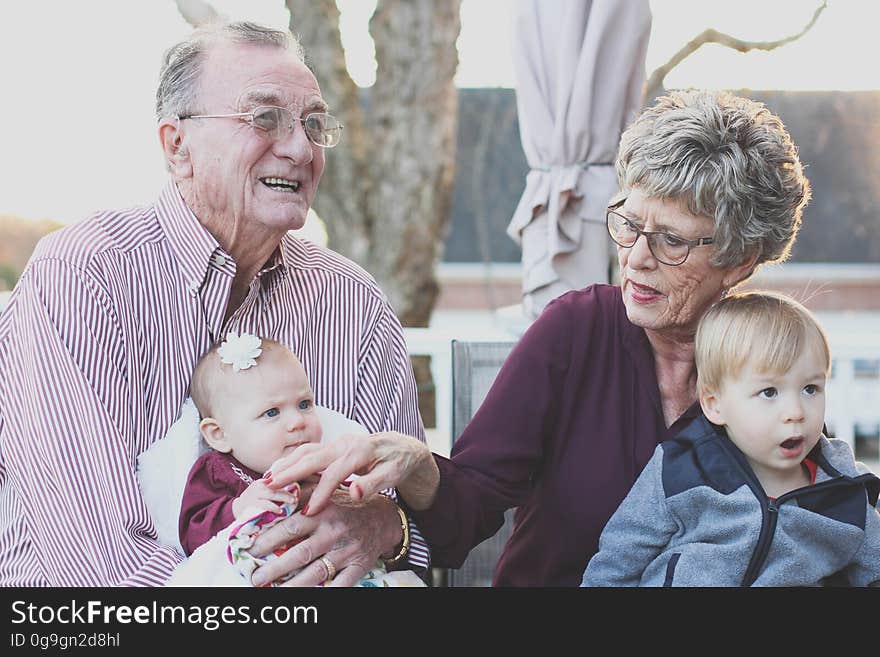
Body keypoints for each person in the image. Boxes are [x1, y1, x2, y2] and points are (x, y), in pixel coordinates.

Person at [263, 89, 814, 586]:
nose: (636, 258)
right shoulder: (576, 332)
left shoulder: (775, 363)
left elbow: (813, 524)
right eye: (628, 223)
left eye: (671, 241)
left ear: (738, 261)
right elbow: (467, 511)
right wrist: (418, 464)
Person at [0, 21, 428, 587]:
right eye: (264, 118)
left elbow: (416, 535)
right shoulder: (85, 274)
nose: (300, 148)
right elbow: (97, 564)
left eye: (314, 124)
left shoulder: (353, 299)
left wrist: (385, 524)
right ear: (178, 147)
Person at [582, 292, 880, 586]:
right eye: (769, 392)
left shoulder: (846, 493)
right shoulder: (681, 470)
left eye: (811, 389)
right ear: (715, 404)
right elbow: (617, 562)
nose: (796, 412)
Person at [179, 333, 320, 556]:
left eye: (305, 404)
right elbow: (192, 534)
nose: (297, 421)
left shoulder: (323, 463)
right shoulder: (218, 471)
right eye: (271, 412)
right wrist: (238, 508)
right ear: (219, 435)